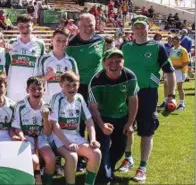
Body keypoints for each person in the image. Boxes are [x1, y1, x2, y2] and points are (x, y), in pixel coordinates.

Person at [119, 16, 176, 182]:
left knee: (146, 130)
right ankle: (128, 158)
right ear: (132, 29)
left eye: (142, 27)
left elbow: (170, 72)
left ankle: (142, 167)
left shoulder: (157, 47)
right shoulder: (125, 46)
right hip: (126, 93)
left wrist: (170, 96)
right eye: (136, 27)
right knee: (127, 127)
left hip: (148, 93)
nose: (139, 30)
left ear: (147, 28)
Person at [88, 49, 138, 183]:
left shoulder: (130, 76)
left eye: (118, 61)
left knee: (120, 146)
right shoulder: (96, 81)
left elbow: (133, 99)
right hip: (102, 117)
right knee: (102, 148)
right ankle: (104, 178)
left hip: (122, 116)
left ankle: (106, 169)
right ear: (104, 63)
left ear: (123, 62)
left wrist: (130, 122)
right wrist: (101, 125)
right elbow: (93, 107)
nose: (114, 65)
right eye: (110, 61)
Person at [49, 71, 101, 185]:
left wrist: (92, 139)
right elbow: (54, 124)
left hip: (75, 137)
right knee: (72, 156)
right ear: (61, 85)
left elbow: (89, 120)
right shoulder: (57, 98)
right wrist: (67, 143)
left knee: (96, 153)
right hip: (58, 138)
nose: (72, 88)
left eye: (75, 85)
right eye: (68, 85)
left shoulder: (79, 98)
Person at [11, 77, 55, 185]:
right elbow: (16, 127)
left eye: (39, 88)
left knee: (51, 158)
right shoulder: (20, 105)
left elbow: (48, 132)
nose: (36, 91)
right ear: (27, 90)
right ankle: (31, 179)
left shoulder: (47, 107)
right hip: (25, 138)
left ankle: (46, 181)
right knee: (32, 160)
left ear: (44, 90)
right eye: (33, 88)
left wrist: (45, 118)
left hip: (40, 138)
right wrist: (22, 137)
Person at [5, 14, 45, 102]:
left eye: (28, 26)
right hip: (14, 89)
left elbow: (41, 66)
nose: (25, 29)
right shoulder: (11, 43)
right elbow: (6, 64)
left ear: (33, 27)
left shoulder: (40, 44)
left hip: (33, 90)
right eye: (21, 26)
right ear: (17, 27)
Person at [34, 28, 78, 103]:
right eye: (58, 40)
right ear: (52, 41)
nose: (61, 43)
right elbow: (35, 81)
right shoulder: (43, 59)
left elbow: (76, 82)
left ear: (67, 42)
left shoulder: (71, 61)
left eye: (64, 41)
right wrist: (47, 76)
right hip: (46, 100)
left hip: (65, 101)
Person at [168, 35, 190, 111]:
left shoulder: (183, 50)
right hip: (173, 71)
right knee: (171, 87)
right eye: (174, 39)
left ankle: (182, 104)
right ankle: (171, 102)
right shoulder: (172, 49)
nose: (175, 41)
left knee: (179, 87)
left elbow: (187, 61)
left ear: (180, 41)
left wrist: (178, 67)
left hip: (180, 71)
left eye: (177, 39)